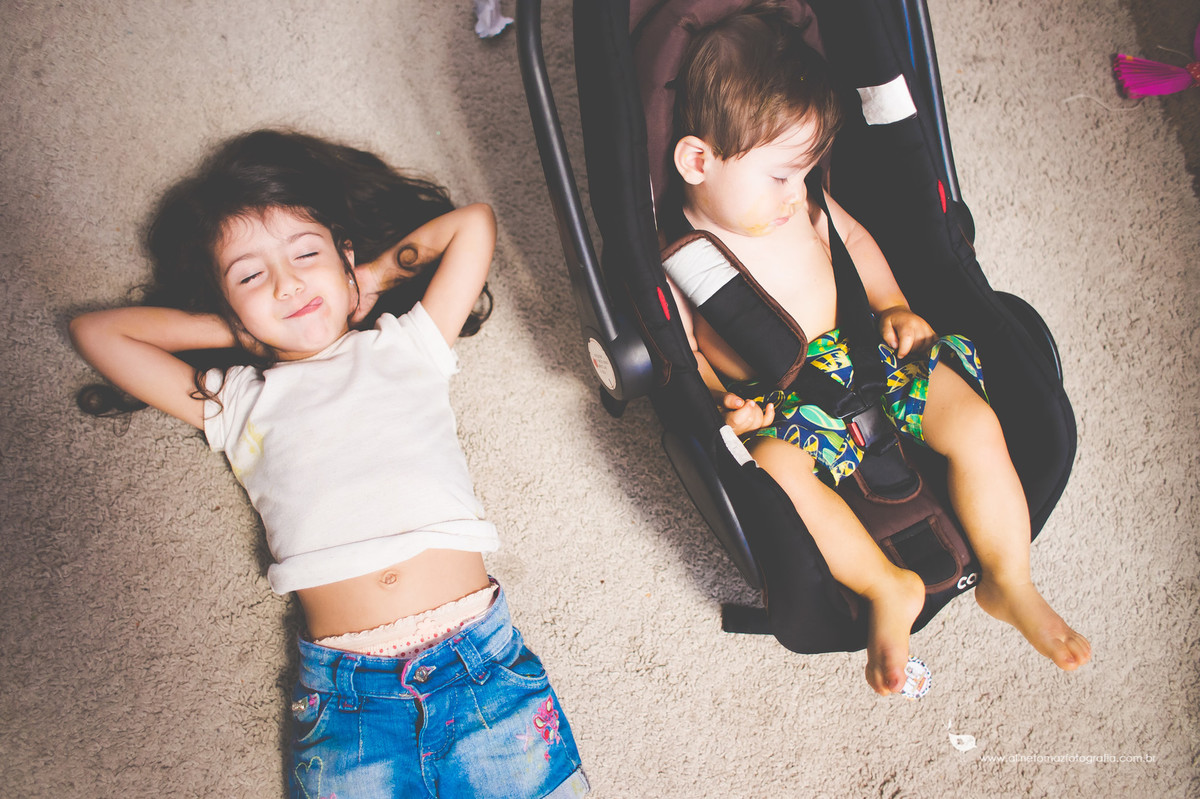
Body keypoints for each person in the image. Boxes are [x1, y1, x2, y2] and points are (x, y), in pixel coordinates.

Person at [70, 130, 589, 798]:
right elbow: (100, 332)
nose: (286, 282)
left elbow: (473, 226)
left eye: (305, 254)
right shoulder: (237, 399)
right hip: (350, 702)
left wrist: (368, 277)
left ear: (344, 256)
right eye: (250, 275)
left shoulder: (408, 344)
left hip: (479, 667)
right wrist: (239, 331)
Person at [664, 2, 1091, 696]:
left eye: (804, 173)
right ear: (696, 159)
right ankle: (886, 585)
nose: (795, 192)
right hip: (788, 405)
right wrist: (721, 398)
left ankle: (1010, 580)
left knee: (975, 421)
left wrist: (894, 306)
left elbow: (856, 246)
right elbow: (683, 342)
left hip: (875, 361)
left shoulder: (802, 204)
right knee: (775, 468)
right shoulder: (684, 254)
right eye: (779, 175)